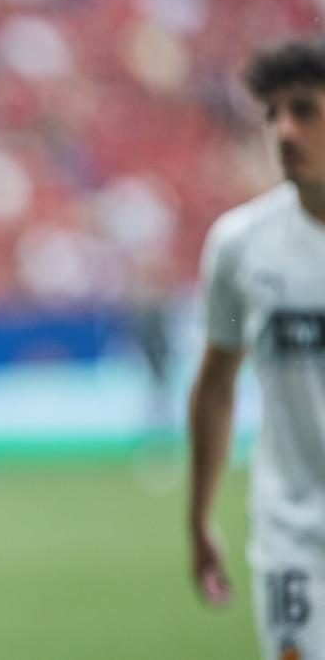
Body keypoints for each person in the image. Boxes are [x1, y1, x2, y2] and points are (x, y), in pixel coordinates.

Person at [189, 38, 325, 660]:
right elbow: (217, 381)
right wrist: (199, 516)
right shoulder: (242, 246)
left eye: (305, 110)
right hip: (294, 538)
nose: (284, 130)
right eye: (273, 114)